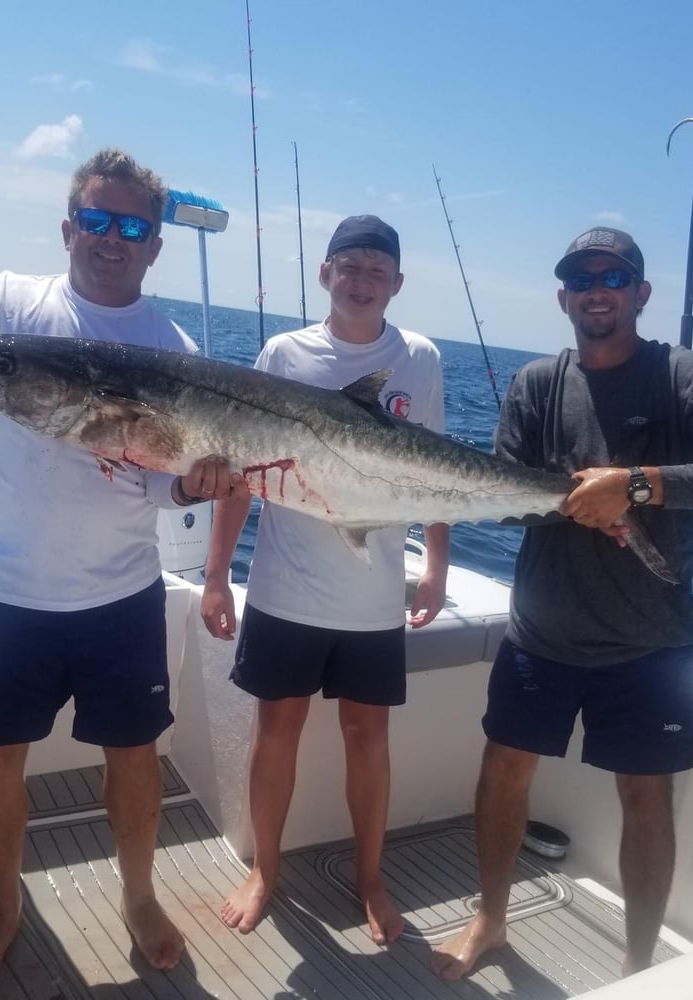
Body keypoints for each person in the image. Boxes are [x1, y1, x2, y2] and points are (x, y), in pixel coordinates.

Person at [0, 148, 248, 983]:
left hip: (123, 594)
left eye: (133, 226)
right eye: (99, 221)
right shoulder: (7, 306)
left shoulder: (173, 347)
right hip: (6, 592)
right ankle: (5, 906)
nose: (113, 238)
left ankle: (138, 896)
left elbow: (160, 488)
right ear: (70, 227)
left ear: (154, 245)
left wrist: (193, 483)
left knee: (134, 758)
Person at [431, 226, 693, 980]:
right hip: (541, 632)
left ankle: (638, 967)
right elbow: (504, 495)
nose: (597, 288)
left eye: (614, 276)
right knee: (503, 770)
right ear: (563, 297)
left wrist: (636, 484)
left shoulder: (684, 375)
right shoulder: (535, 384)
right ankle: (490, 919)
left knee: (646, 798)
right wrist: (556, 499)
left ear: (640, 293)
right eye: (581, 277)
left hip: (650, 642)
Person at [200, 215, 450, 944]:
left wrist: (435, 565)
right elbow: (240, 472)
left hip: (374, 598)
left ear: (397, 284)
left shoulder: (422, 359)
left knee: (368, 738)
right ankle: (265, 872)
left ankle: (371, 879)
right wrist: (217, 576)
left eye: (378, 268)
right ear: (325, 274)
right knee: (275, 733)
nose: (363, 278)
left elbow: (434, 472)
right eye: (350, 264)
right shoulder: (284, 352)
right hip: (285, 590)